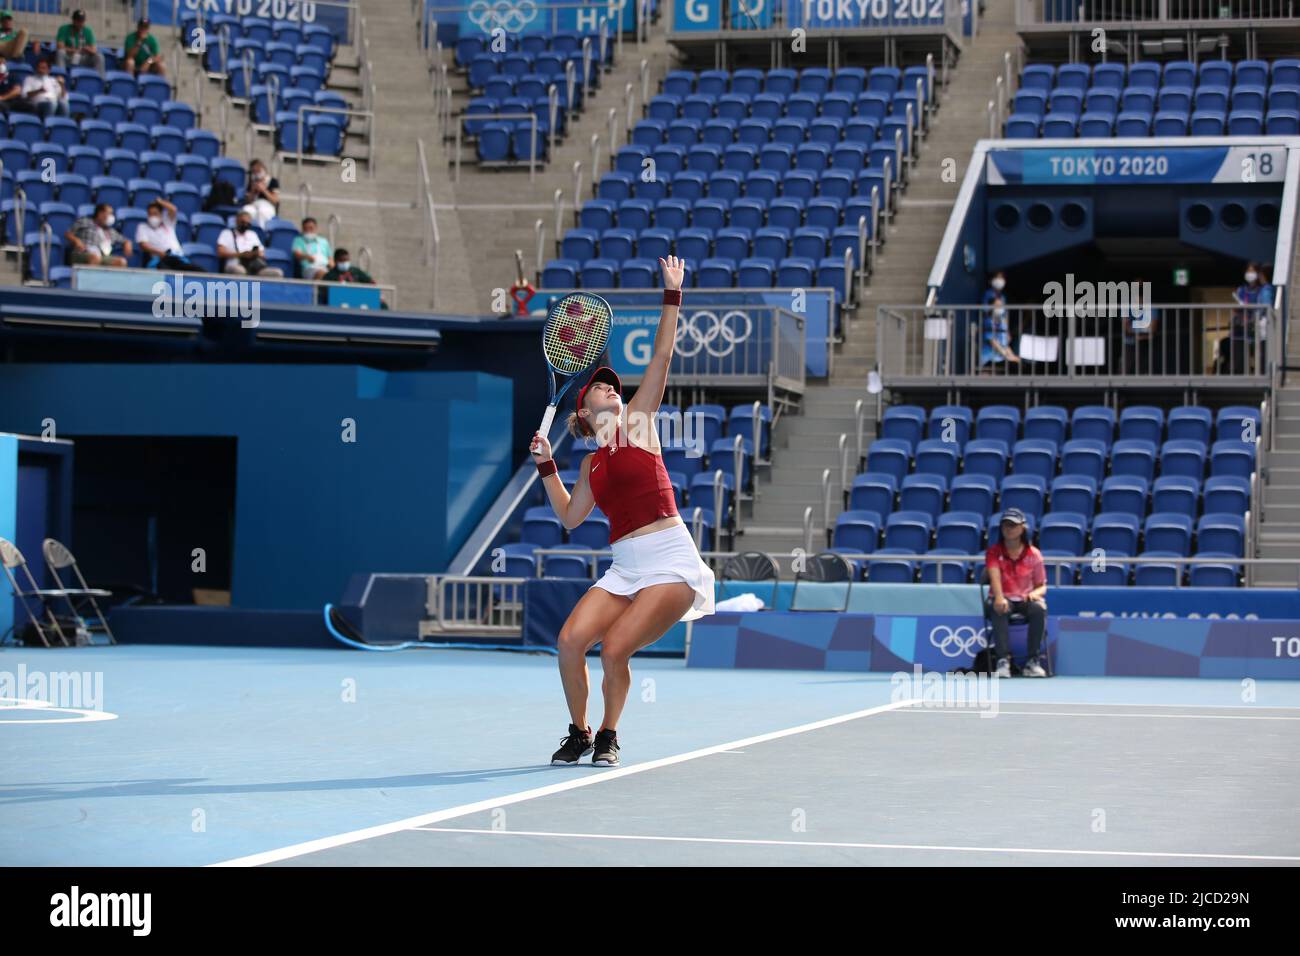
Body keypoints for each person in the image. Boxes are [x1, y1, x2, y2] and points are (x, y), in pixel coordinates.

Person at [530, 255, 715, 767]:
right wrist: (548, 468)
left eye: (614, 384)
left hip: (671, 559)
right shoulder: (590, 464)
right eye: (601, 385)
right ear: (584, 412)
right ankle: (580, 731)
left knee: (614, 649)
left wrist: (672, 292)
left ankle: (609, 734)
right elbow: (570, 519)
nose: (612, 386)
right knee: (569, 642)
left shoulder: (639, 422)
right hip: (625, 566)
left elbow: (661, 357)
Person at [984, 508, 1048, 678]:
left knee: (1039, 609)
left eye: (1013, 525)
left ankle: (1033, 661)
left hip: (1025, 599)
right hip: (1001, 598)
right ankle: (1003, 661)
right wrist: (999, 597)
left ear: (1022, 528)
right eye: (1005, 525)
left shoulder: (1034, 554)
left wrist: (1035, 594)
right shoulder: (994, 552)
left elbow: (1042, 586)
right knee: (999, 608)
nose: (1008, 529)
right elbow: (994, 576)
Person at [1218, 262, 1274, 375]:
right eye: (1248, 271)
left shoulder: (1263, 290)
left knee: (1260, 357)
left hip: (1256, 328)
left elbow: (1263, 308)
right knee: (1239, 360)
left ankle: (1260, 376)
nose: (1250, 274)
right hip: (1240, 328)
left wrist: (1251, 314)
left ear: (1259, 274)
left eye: (1253, 271)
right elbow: (1237, 308)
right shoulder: (1241, 290)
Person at [135, 198, 201, 271]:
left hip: (178, 257)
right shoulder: (143, 227)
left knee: (198, 271)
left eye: (155, 214)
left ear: (161, 214)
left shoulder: (168, 223)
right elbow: (143, 245)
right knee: (166, 271)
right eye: (150, 214)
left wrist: (159, 201)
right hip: (159, 259)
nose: (152, 217)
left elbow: (173, 209)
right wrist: (160, 253)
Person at [216, 211, 283, 276]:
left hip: (253, 266)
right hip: (234, 264)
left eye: (248, 223)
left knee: (277, 272)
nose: (245, 225)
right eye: (243, 222)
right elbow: (220, 252)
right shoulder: (227, 233)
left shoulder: (252, 234)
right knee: (241, 271)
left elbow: (262, 252)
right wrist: (241, 255)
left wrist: (254, 253)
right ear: (237, 221)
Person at [65, 203, 131, 266]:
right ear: (100, 213)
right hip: (82, 253)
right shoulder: (85, 221)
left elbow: (124, 240)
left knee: (121, 262)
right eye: (109, 213)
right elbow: (68, 234)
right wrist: (76, 240)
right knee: (95, 257)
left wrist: (127, 243)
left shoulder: (110, 231)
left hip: (101, 256)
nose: (111, 217)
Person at [979, 294, 1019, 371]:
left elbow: (1005, 344)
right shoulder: (988, 321)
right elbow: (993, 342)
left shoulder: (1002, 322)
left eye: (1001, 305)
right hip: (989, 357)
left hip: (1001, 357)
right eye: (997, 305)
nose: (1000, 307)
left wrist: (1013, 356)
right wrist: (1006, 355)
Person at [56, 9, 101, 73]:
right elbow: (60, 46)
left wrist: (87, 49)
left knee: (99, 57)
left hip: (83, 57)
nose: (80, 23)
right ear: (73, 20)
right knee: (60, 52)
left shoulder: (88, 31)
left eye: (82, 21)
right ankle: (61, 76)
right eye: (78, 21)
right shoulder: (64, 29)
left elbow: (94, 50)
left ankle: (99, 80)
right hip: (69, 56)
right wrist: (74, 50)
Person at [240, 159, 280, 228]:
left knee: (262, 212)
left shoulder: (273, 182)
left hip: (267, 205)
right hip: (254, 204)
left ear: (263, 169)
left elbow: (275, 200)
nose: (257, 174)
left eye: (258, 171)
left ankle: (261, 231)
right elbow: (248, 201)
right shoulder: (252, 182)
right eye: (254, 172)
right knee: (246, 210)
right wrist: (253, 191)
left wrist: (264, 190)